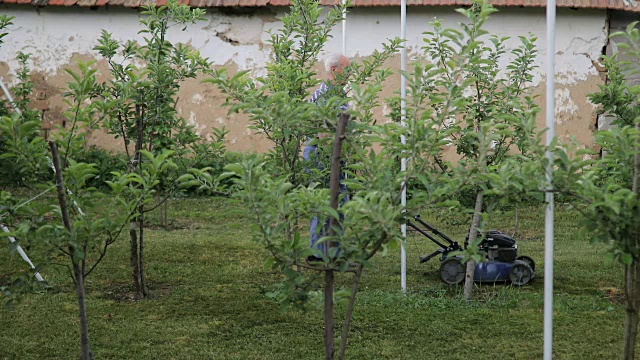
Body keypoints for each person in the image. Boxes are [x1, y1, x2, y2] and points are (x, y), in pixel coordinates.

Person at [304, 53, 350, 261]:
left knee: (335, 200)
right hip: (323, 154)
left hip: (328, 153)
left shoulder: (335, 93)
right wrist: (333, 158)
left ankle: (328, 251)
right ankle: (321, 252)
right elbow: (323, 132)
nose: (350, 74)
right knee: (330, 199)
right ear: (334, 70)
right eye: (346, 69)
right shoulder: (327, 95)